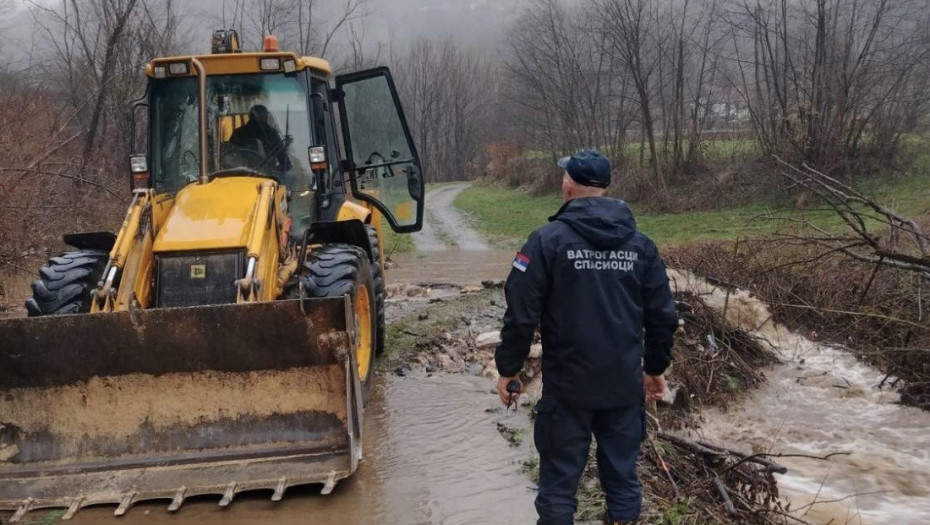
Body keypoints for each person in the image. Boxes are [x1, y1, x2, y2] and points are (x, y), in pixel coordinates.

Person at [494, 149, 678, 525]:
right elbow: (662, 316)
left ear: (567, 187)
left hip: (567, 389)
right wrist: (655, 368)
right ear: (607, 188)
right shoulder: (640, 246)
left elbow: (520, 314)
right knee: (623, 482)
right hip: (623, 386)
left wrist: (508, 369)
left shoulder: (546, 242)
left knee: (559, 487)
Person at [228, 104, 291, 171]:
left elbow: (285, 162)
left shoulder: (271, 135)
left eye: (263, 117)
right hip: (240, 176)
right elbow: (229, 156)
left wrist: (273, 170)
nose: (259, 125)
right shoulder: (239, 134)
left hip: (267, 177)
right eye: (259, 119)